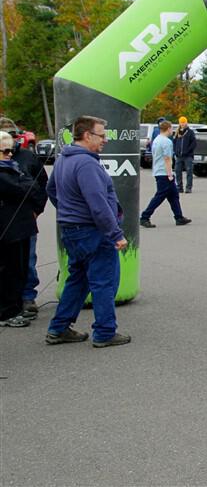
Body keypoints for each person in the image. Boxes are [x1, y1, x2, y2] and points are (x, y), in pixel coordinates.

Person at [45, 116, 130, 347]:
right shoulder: (87, 164)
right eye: (101, 135)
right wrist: (115, 234)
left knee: (78, 279)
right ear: (86, 135)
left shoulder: (64, 158)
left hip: (72, 230)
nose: (105, 140)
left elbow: (51, 189)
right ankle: (104, 332)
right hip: (93, 231)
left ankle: (58, 328)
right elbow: (98, 203)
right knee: (103, 282)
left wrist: (68, 212)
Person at [0, 118, 46, 318]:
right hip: (5, 222)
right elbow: (19, 187)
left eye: (11, 136)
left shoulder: (27, 157)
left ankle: (27, 298)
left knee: (26, 261)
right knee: (7, 266)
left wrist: (37, 209)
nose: (9, 151)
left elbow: (41, 185)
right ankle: (9, 305)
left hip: (25, 219)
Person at [140, 120, 192, 228]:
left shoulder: (156, 140)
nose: (172, 130)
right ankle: (145, 216)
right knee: (160, 196)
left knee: (174, 195)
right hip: (164, 173)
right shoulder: (166, 142)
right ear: (168, 129)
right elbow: (167, 158)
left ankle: (179, 217)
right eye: (171, 128)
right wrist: (169, 174)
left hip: (158, 170)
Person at [173, 116, 196, 194]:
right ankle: (179, 187)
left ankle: (188, 187)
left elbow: (193, 143)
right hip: (179, 156)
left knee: (189, 171)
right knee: (177, 171)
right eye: (181, 122)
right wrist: (176, 151)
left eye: (184, 122)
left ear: (186, 123)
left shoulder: (190, 132)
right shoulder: (177, 132)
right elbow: (174, 143)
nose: (182, 124)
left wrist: (188, 151)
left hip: (188, 156)